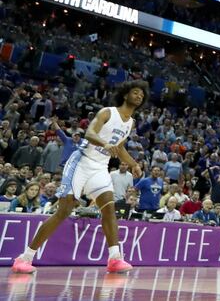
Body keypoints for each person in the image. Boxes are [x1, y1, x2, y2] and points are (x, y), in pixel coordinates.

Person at [10, 80, 147, 274]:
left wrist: (134, 164)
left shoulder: (131, 122)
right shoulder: (107, 112)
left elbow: (121, 147)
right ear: (125, 95)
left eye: (141, 95)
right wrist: (104, 144)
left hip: (100, 167)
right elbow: (90, 133)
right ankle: (24, 258)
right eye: (135, 92)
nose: (139, 96)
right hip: (81, 162)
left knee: (109, 209)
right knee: (63, 211)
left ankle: (115, 258)